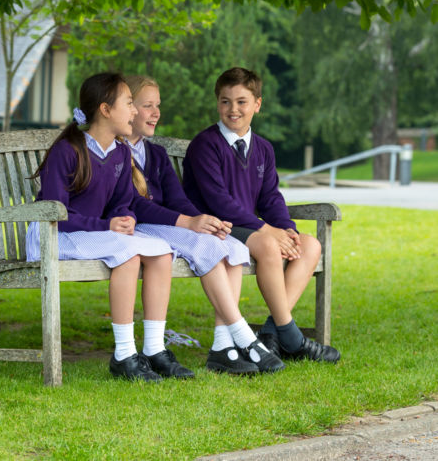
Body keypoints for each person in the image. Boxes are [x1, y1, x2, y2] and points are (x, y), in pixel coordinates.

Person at [26, 72, 194, 381]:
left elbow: (122, 200)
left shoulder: (120, 153)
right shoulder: (68, 150)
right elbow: (55, 213)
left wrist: (123, 217)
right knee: (128, 254)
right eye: (129, 103)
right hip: (54, 235)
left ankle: (155, 349)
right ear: (105, 109)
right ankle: (124, 355)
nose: (134, 111)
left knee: (161, 250)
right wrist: (107, 224)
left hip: (93, 234)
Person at [124, 75, 285, 375]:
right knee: (207, 244)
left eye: (158, 105)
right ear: (127, 109)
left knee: (230, 244)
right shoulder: (117, 153)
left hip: (168, 226)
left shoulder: (155, 154)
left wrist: (199, 219)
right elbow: (133, 203)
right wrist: (188, 222)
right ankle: (243, 336)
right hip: (142, 229)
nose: (157, 112)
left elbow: (177, 198)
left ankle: (223, 347)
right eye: (148, 106)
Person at [182, 67, 340, 363]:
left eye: (242, 101)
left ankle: (270, 334)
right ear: (217, 103)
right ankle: (291, 337)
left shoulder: (264, 149)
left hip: (248, 227)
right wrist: (267, 230)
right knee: (268, 245)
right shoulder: (206, 145)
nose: (233, 109)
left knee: (310, 246)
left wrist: (286, 229)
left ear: (257, 104)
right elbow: (218, 202)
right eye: (225, 101)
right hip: (214, 226)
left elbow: (270, 197)